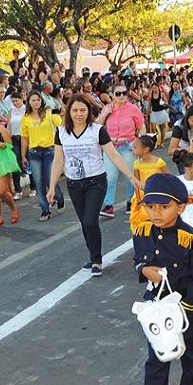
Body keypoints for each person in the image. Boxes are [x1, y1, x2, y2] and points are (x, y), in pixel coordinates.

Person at [132, 172, 193, 385]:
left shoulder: (191, 238)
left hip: (186, 307)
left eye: (164, 207)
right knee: (157, 361)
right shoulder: (142, 232)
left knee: (192, 354)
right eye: (151, 206)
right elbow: (137, 261)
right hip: (157, 308)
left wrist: (188, 308)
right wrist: (144, 270)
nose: (156, 213)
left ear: (181, 207)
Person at [47, 94, 134, 276]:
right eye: (75, 110)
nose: (79, 114)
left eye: (83, 110)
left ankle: (96, 260)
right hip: (74, 183)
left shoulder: (97, 130)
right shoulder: (61, 132)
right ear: (68, 112)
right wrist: (52, 187)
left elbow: (114, 155)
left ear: (89, 112)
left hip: (96, 181)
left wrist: (131, 177)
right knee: (85, 223)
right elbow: (57, 160)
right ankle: (93, 255)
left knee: (90, 221)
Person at [96, 84, 145, 218]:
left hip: (128, 145)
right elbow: (97, 126)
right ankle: (108, 205)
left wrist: (140, 144)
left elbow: (141, 126)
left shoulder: (133, 109)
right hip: (110, 146)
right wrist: (105, 113)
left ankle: (131, 201)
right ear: (112, 95)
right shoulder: (107, 108)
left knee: (129, 175)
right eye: (118, 93)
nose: (122, 96)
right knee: (110, 177)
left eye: (124, 93)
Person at [20, 91, 62, 221]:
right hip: (34, 153)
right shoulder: (25, 118)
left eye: (38, 99)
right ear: (29, 102)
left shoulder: (49, 114)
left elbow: (61, 126)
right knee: (38, 182)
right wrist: (23, 155)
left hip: (49, 150)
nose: (36, 102)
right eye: (33, 100)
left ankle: (59, 197)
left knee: (50, 179)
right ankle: (45, 210)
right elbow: (24, 138)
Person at [129, 135, 167, 232]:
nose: (132, 150)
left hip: (157, 194)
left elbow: (168, 177)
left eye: (135, 147)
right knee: (144, 220)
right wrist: (138, 199)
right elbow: (136, 183)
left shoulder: (159, 162)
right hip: (143, 195)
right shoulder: (137, 163)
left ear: (145, 149)